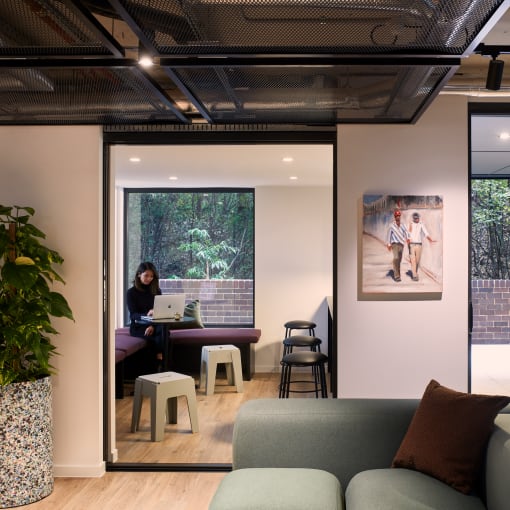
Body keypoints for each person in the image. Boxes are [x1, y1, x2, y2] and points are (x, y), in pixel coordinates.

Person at [126, 261, 164, 365]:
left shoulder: (157, 291)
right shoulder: (131, 293)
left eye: (151, 276)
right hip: (138, 326)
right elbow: (133, 315)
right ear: (139, 274)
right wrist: (147, 315)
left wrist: (152, 325)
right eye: (146, 275)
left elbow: (160, 312)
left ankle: (159, 362)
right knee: (162, 336)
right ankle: (160, 359)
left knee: (163, 331)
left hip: (155, 325)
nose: (149, 278)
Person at [408, 211, 435, 281]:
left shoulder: (421, 224)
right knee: (413, 260)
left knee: (417, 261)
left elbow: (426, 232)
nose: (417, 219)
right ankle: (414, 275)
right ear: (413, 218)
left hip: (419, 245)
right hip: (411, 244)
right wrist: (408, 239)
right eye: (416, 218)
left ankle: (415, 272)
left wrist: (430, 240)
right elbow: (408, 233)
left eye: (418, 218)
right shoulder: (410, 224)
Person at [386, 209, 409, 282]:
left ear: (400, 216)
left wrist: (408, 238)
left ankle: (398, 275)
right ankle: (396, 276)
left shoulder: (403, 225)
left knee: (399, 260)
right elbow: (389, 235)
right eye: (396, 216)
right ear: (394, 217)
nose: (397, 217)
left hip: (401, 244)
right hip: (394, 244)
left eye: (398, 216)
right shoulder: (391, 225)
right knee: (396, 258)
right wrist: (389, 244)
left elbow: (406, 232)